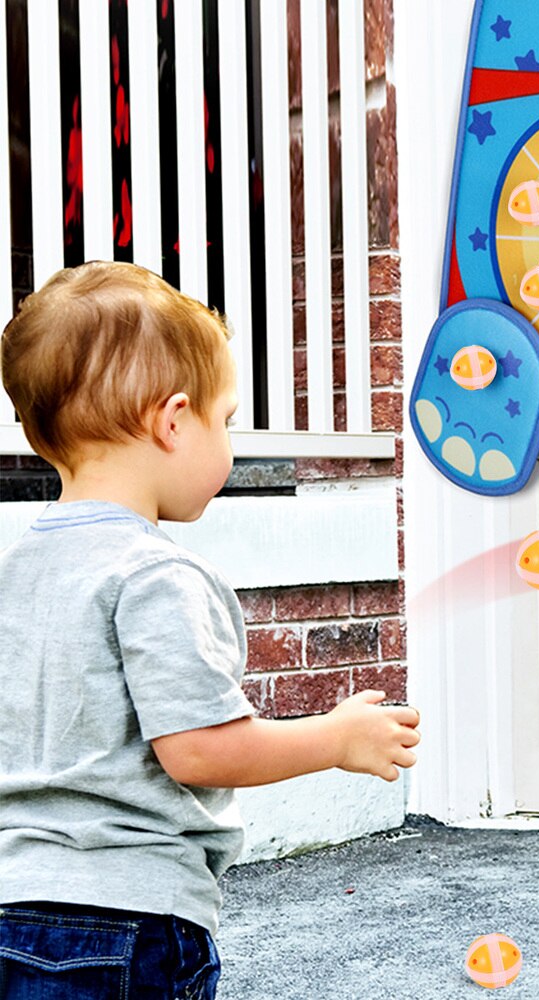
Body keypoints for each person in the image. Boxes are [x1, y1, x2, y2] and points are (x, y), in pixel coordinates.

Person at [0, 261, 421, 998]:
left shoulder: (19, 569)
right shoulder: (154, 574)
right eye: (223, 421)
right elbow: (196, 749)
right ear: (171, 421)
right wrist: (336, 738)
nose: (226, 441)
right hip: (125, 919)